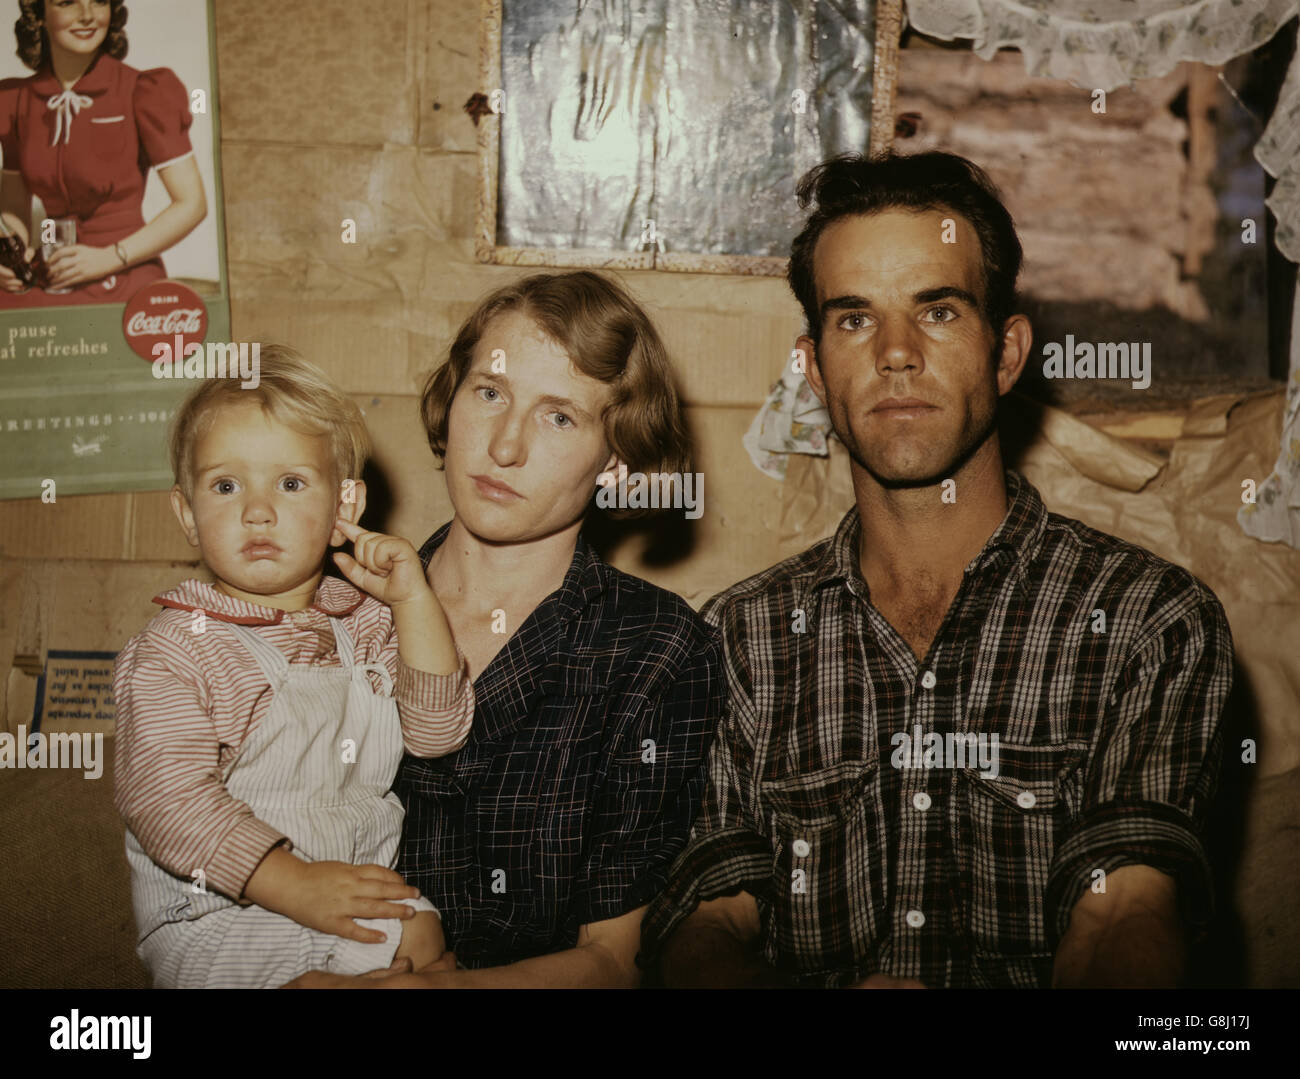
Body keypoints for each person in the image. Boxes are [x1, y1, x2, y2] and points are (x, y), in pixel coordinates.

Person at [642, 151, 1235, 989]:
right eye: (854, 319)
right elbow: (704, 927)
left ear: (1006, 351)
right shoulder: (736, 640)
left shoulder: (1149, 619)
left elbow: (1126, 909)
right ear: (813, 371)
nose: (894, 353)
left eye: (939, 312)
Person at [285, 270, 723, 988]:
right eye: (489, 393)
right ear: (451, 400)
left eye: (560, 417)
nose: (505, 446)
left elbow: (614, 962)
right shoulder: (333, 611)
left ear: (615, 463)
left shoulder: (657, 648)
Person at [113, 346, 475, 988]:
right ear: (186, 513)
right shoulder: (179, 647)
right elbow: (165, 799)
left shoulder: (362, 629)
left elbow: (437, 732)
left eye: (290, 483)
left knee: (422, 931)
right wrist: (293, 883)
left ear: (345, 506)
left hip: (336, 899)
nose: (257, 510)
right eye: (225, 486)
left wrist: (414, 601)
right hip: (216, 913)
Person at [0, 0, 206, 305]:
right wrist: (10, 258)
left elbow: (192, 204)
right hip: (52, 273)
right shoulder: (16, 100)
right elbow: (15, 206)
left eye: (98, 1)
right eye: (67, 2)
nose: (87, 16)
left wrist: (110, 257)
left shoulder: (144, 90)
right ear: (39, 15)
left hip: (125, 272)